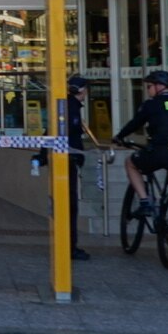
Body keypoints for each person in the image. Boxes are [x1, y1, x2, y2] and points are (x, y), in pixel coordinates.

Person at [114, 68, 168, 267]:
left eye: (150, 86)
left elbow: (135, 123)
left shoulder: (152, 105)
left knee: (131, 163)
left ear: (160, 87)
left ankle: (144, 200)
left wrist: (119, 137)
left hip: (161, 151)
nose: (148, 90)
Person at [64, 74, 99, 261]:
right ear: (82, 91)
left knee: (69, 205)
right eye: (85, 89)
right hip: (67, 160)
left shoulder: (70, 106)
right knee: (70, 206)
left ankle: (69, 245)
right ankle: (69, 246)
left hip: (68, 159)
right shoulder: (71, 108)